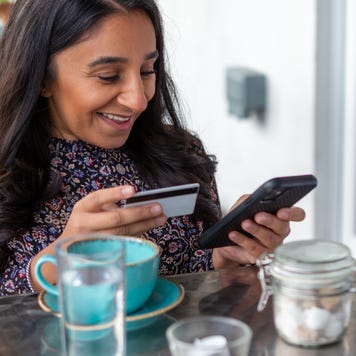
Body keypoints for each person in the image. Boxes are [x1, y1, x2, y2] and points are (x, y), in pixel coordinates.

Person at [0, 0, 305, 296]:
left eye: (147, 70)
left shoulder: (180, 155)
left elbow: (188, 279)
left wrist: (225, 256)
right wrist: (57, 263)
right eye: (108, 76)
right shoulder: (7, 172)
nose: (139, 99)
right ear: (42, 77)